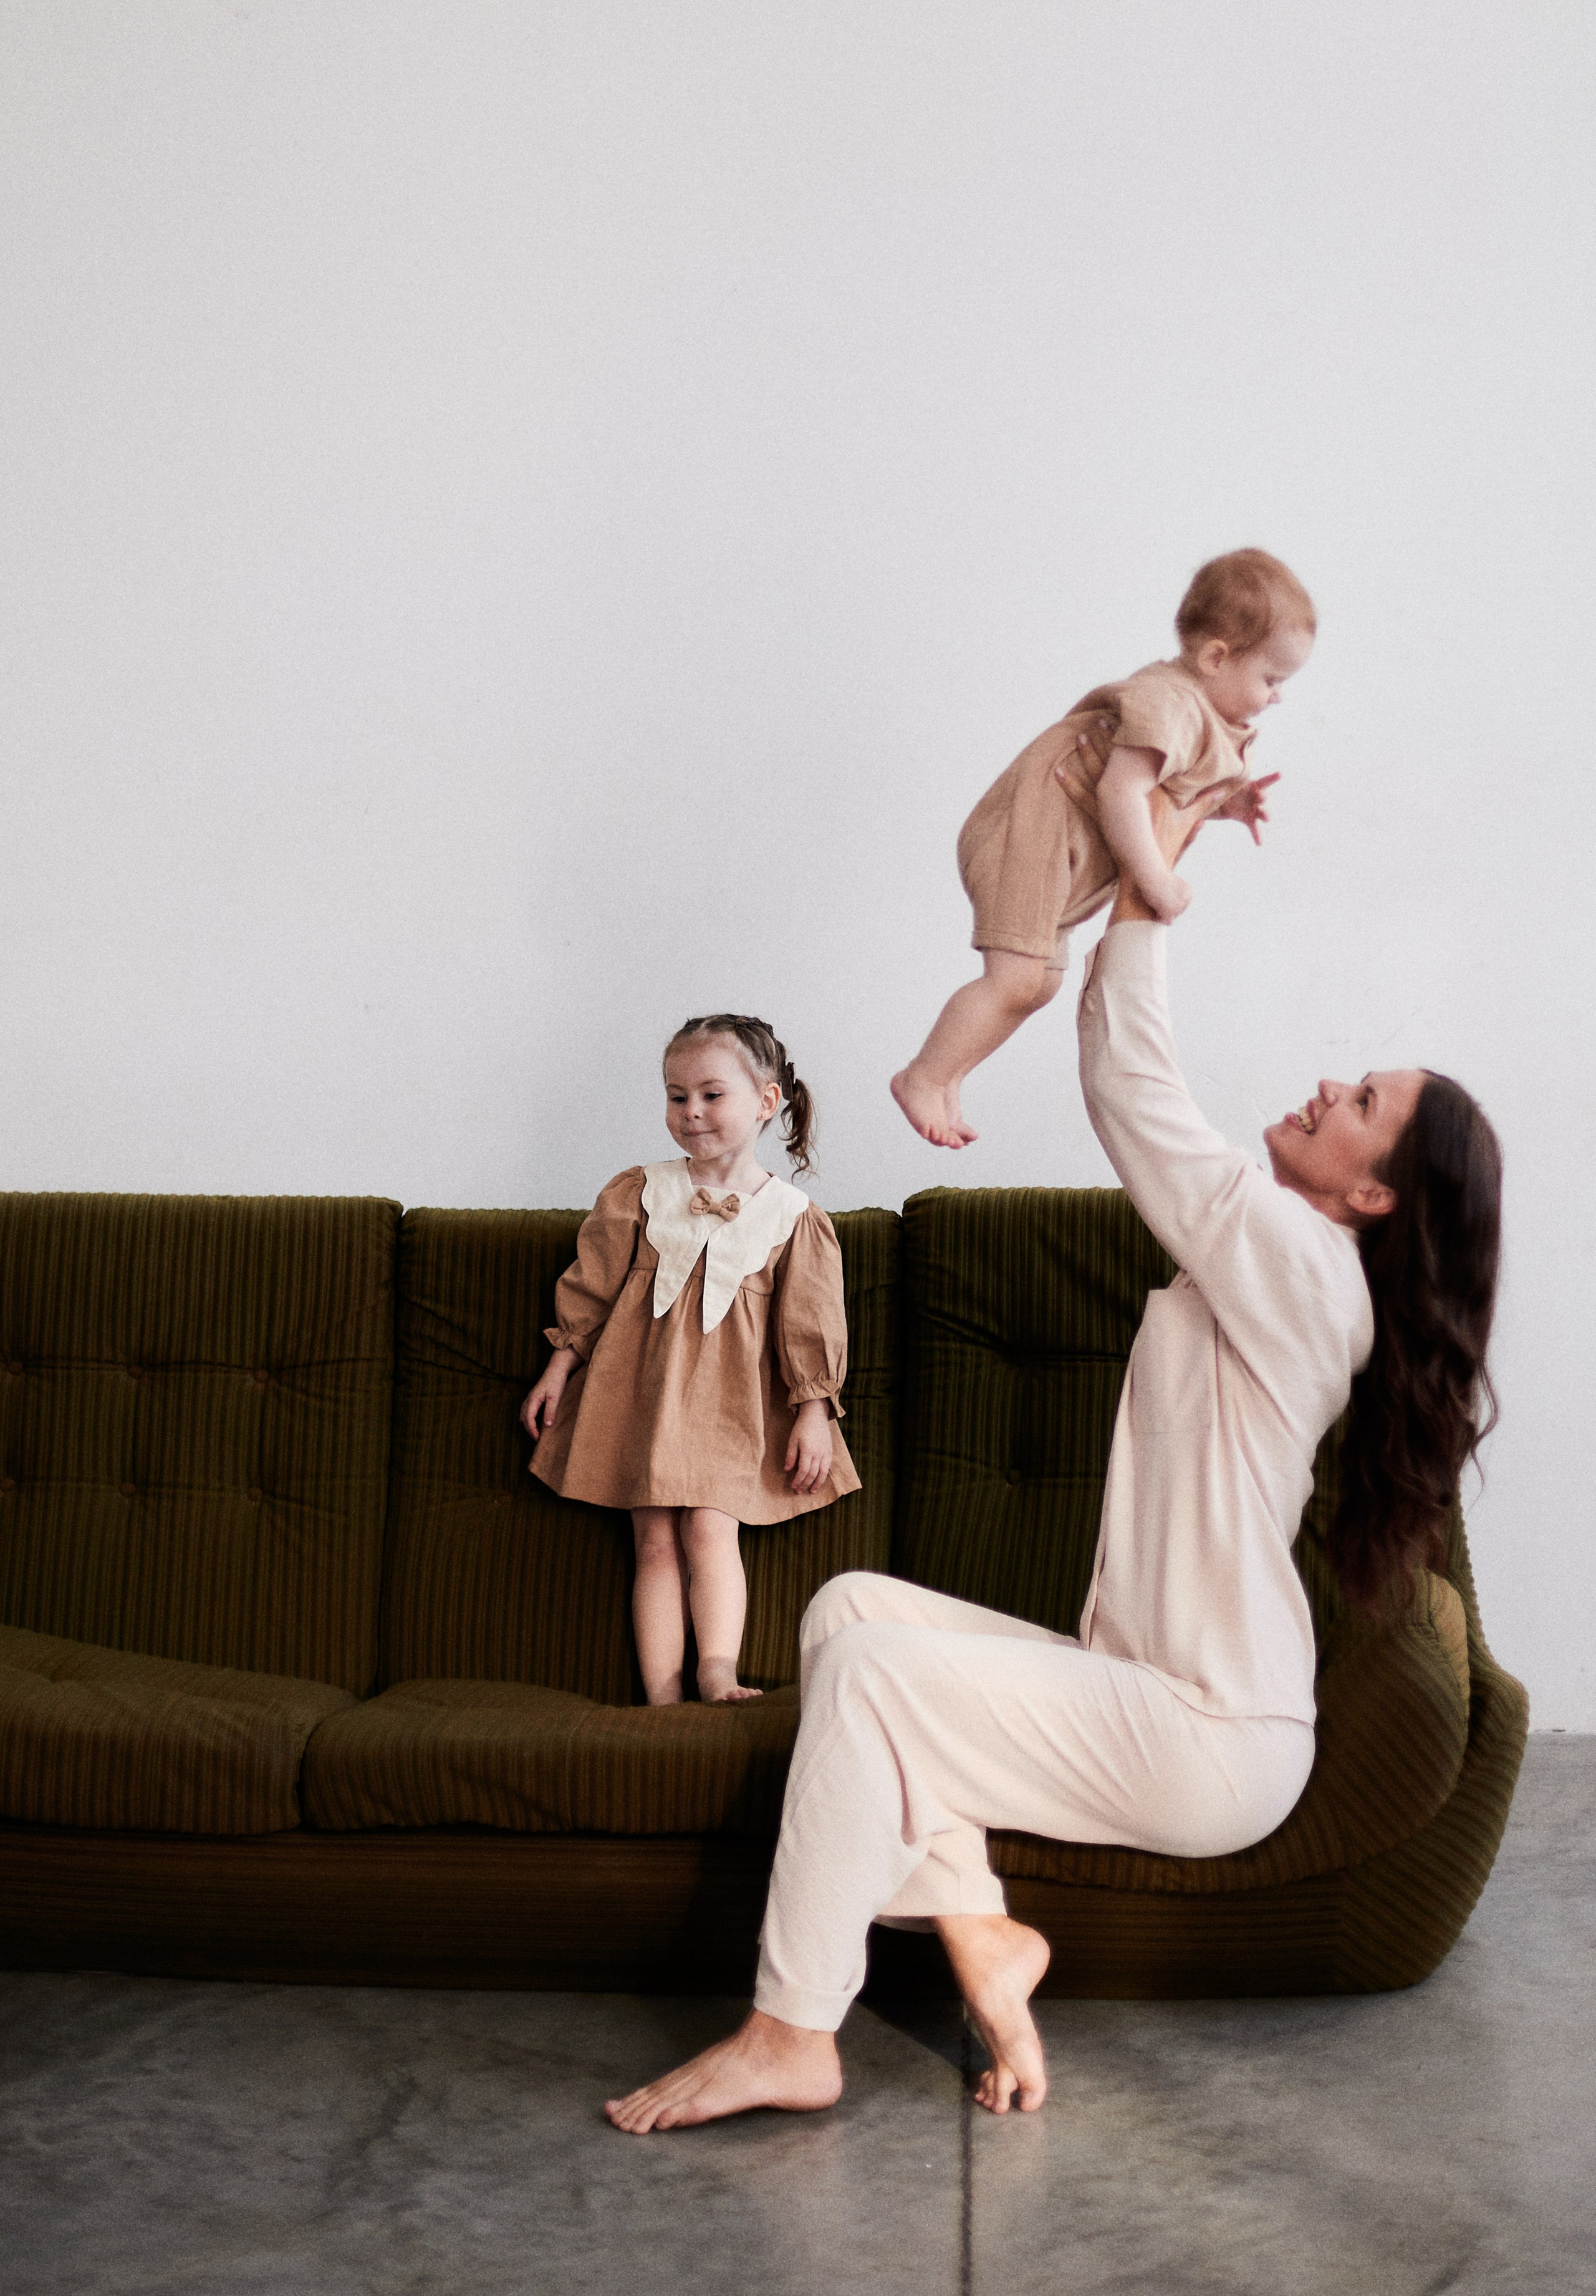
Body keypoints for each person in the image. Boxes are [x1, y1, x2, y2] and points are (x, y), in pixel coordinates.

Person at [605, 808, 1501, 2132]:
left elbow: (1131, 1092)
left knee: (872, 1676)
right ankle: (978, 1930)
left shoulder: (1310, 1274)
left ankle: (791, 2027)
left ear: (1372, 1196)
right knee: (850, 1611)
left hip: (1207, 1737)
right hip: (1139, 1689)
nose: (1326, 1088)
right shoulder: (1274, 1272)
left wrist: (1141, 890)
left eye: (1358, 1104)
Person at [891, 547, 1315, 1149]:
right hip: (1030, 833)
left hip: (1055, 856)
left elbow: (1170, 791)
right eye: (1272, 679)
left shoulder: (1201, 710)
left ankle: (948, 1075)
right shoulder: (1170, 701)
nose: (1277, 697)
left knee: (1038, 985)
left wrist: (1227, 805)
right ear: (1217, 657)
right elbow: (1123, 794)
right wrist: (1156, 882)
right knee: (1014, 979)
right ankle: (923, 1076)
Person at [522, 1013, 860, 1707]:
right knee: (653, 1542)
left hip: (728, 1404)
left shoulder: (793, 1216)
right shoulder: (638, 1191)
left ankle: (716, 1668)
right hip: (641, 1393)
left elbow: (810, 1326)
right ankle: (663, 1693)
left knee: (709, 1528)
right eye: (677, 1096)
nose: (692, 1112)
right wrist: (558, 1367)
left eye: (711, 1095)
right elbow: (590, 1287)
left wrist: (814, 1412)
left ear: (765, 1102)